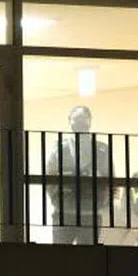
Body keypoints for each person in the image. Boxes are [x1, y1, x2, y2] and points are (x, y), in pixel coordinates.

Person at [45, 105, 112, 245]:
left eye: (83, 118)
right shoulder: (59, 148)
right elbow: (49, 178)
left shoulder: (102, 149)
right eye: (77, 118)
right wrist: (57, 201)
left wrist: (101, 204)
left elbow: (110, 181)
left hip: (90, 214)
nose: (80, 122)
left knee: (86, 260)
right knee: (60, 258)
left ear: (90, 121)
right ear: (69, 121)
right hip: (64, 213)